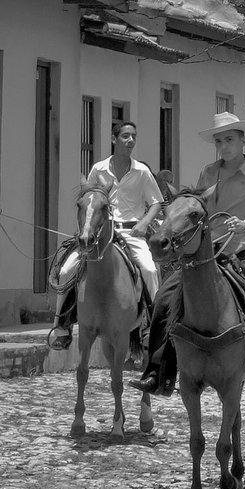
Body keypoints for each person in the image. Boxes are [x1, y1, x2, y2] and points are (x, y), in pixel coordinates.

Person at [130, 112, 245, 397]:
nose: (224, 146)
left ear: (242, 142)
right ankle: (157, 371)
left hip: (242, 252)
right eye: (219, 141)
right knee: (164, 297)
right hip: (204, 254)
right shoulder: (207, 173)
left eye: (229, 140)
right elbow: (195, 211)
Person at [47, 121, 163, 352]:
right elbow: (88, 201)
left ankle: (151, 327)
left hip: (131, 232)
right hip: (100, 233)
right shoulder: (98, 169)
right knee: (66, 270)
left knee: (149, 271)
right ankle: (62, 326)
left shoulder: (142, 171)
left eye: (133, 136)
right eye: (125, 136)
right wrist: (86, 229)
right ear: (114, 139)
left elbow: (156, 203)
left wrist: (144, 223)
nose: (130, 141)